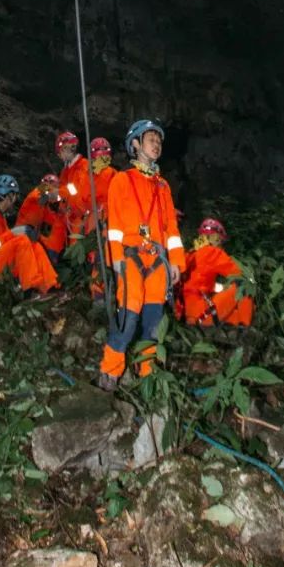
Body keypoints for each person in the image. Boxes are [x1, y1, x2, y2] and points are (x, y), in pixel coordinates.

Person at [98, 120, 184, 390]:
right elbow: (113, 229)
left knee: (154, 321)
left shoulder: (163, 187)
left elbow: (171, 227)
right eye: (150, 139)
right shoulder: (121, 180)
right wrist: (117, 261)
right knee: (129, 315)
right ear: (135, 144)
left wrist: (176, 262)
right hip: (131, 258)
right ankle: (110, 372)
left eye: (159, 141)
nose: (156, 144)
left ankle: (147, 375)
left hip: (158, 262)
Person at [0, 173, 61, 297]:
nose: (15, 200)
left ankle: (49, 286)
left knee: (35, 245)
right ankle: (29, 289)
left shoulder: (0, 217)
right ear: (9, 196)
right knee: (22, 241)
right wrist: (13, 233)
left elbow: (3, 245)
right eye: (14, 196)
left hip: (2, 260)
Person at [175, 218, 254, 328]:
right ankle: (246, 328)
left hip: (186, 315)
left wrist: (222, 289)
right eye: (220, 241)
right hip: (202, 314)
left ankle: (237, 325)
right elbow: (240, 274)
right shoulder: (212, 252)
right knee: (246, 284)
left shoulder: (190, 254)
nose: (221, 245)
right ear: (216, 238)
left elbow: (198, 284)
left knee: (233, 316)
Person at [82, 138, 115, 300]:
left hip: (103, 225)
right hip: (99, 225)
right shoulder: (91, 176)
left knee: (99, 261)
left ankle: (101, 296)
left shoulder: (95, 176)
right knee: (100, 260)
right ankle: (102, 296)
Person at [14, 172, 67, 263]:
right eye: (55, 187)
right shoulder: (37, 193)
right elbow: (41, 195)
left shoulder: (43, 207)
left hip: (30, 233)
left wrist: (65, 213)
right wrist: (60, 194)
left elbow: (54, 219)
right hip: (22, 231)